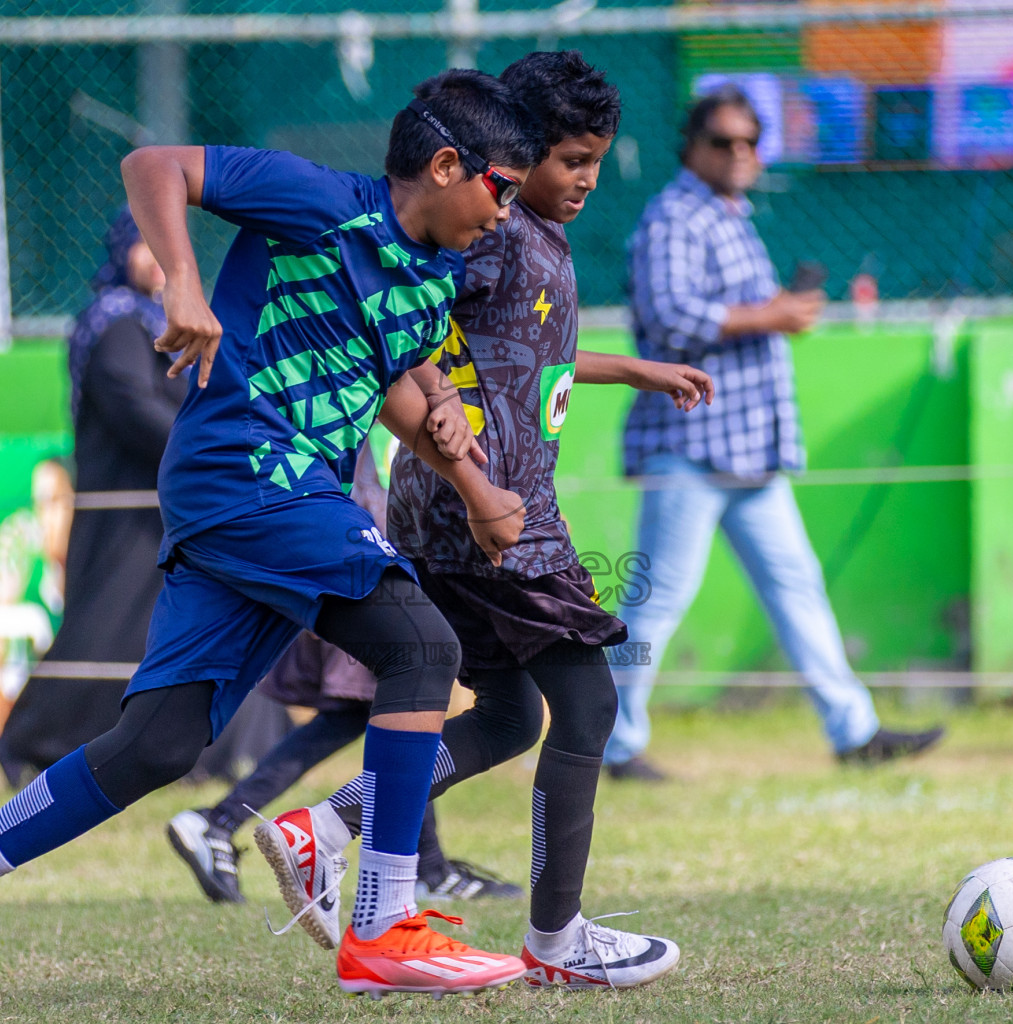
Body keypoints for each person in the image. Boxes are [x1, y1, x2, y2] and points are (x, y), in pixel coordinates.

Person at [0, 68, 548, 1021]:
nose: (508, 214)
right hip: (249, 472)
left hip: (273, 496)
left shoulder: (431, 274)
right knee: (422, 648)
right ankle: (381, 922)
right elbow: (154, 165)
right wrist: (186, 282)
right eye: (503, 188)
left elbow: (395, 381)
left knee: (156, 744)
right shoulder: (318, 198)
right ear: (445, 165)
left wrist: (474, 488)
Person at [257, 51, 711, 990]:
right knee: (588, 705)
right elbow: (405, 334)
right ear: (519, 155)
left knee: (507, 716)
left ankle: (323, 825)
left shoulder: (526, 233)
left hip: (451, 515)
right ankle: (557, 942)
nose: (584, 180)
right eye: (570, 160)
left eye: (597, 161)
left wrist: (635, 370)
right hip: (494, 514)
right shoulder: (495, 232)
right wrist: (469, 472)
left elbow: (525, 355)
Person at [604, 87, 943, 781]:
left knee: (798, 587)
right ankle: (611, 743)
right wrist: (772, 314)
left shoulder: (728, 214)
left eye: (751, 141)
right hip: (691, 445)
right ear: (690, 147)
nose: (740, 154)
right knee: (657, 602)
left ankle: (855, 731)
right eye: (724, 141)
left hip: (747, 451)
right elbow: (668, 318)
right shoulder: (675, 217)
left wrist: (774, 313)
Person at [166, 445, 521, 905]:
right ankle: (427, 870)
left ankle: (219, 821)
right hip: (364, 566)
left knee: (374, 714)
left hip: (362, 562)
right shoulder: (379, 393)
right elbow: (362, 488)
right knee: (407, 708)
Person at [0, 207, 185, 784]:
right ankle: (25, 739)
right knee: (101, 625)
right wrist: (196, 448)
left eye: (163, 248)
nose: (156, 261)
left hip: (161, 502)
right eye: (143, 246)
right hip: (122, 508)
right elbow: (131, 404)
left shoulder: (165, 320)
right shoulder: (115, 324)